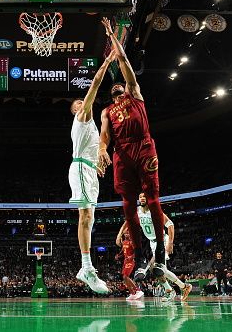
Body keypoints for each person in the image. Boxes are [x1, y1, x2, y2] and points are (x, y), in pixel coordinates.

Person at [98, 17, 166, 276]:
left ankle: (159, 250)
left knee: (153, 198)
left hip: (144, 146)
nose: (118, 87)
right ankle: (139, 255)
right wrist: (102, 149)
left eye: (120, 85)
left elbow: (125, 64)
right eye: (114, 88)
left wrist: (114, 41)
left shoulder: (135, 94)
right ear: (111, 95)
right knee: (128, 204)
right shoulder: (107, 110)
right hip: (122, 152)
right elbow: (105, 136)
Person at [69, 49, 117, 294]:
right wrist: (107, 61)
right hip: (79, 168)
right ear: (76, 111)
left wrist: (100, 153)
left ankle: (86, 267)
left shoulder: (92, 127)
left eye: (82, 101)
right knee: (85, 217)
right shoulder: (82, 117)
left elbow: (98, 144)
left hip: (88, 170)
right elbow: (95, 85)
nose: (82, 102)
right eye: (78, 103)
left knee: (91, 219)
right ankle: (86, 267)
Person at [133, 192, 192, 301]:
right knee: (157, 270)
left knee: (156, 268)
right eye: (140, 197)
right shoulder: (137, 211)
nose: (142, 198)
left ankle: (172, 290)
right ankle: (182, 287)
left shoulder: (155, 210)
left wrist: (170, 243)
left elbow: (170, 224)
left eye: (144, 196)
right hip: (152, 242)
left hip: (162, 240)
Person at [115, 227, 144, 300]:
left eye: (127, 233)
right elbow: (123, 251)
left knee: (125, 276)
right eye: (125, 234)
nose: (126, 235)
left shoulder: (132, 242)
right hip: (125, 261)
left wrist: (131, 257)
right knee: (124, 278)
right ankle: (132, 293)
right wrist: (118, 256)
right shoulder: (124, 242)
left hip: (131, 261)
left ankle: (138, 290)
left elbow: (137, 252)